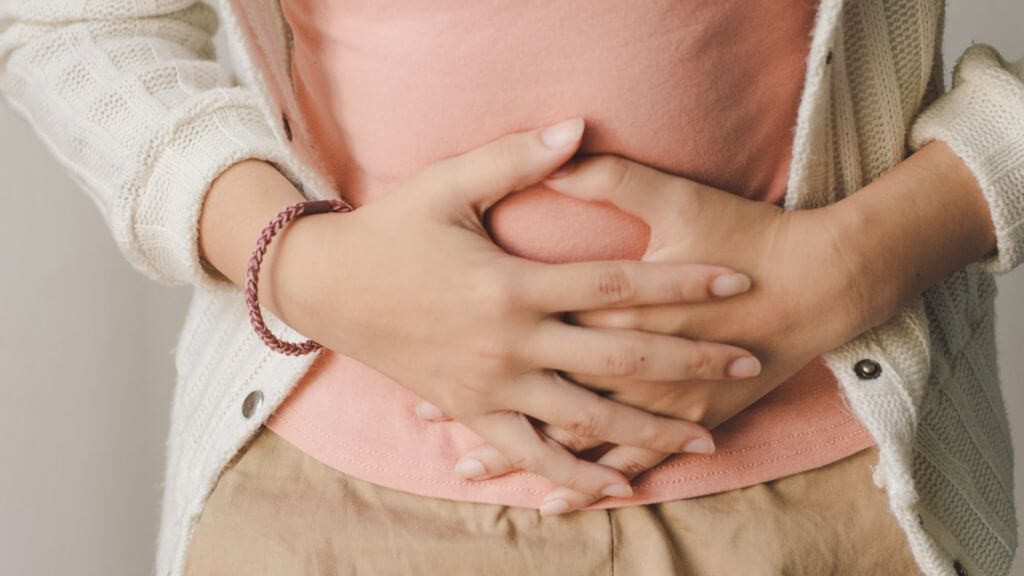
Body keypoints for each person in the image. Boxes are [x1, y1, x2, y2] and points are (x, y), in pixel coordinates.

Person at [1, 1, 1020, 575]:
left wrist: (851, 264)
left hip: (829, 508)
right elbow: (74, 23)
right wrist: (295, 261)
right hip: (327, 514)